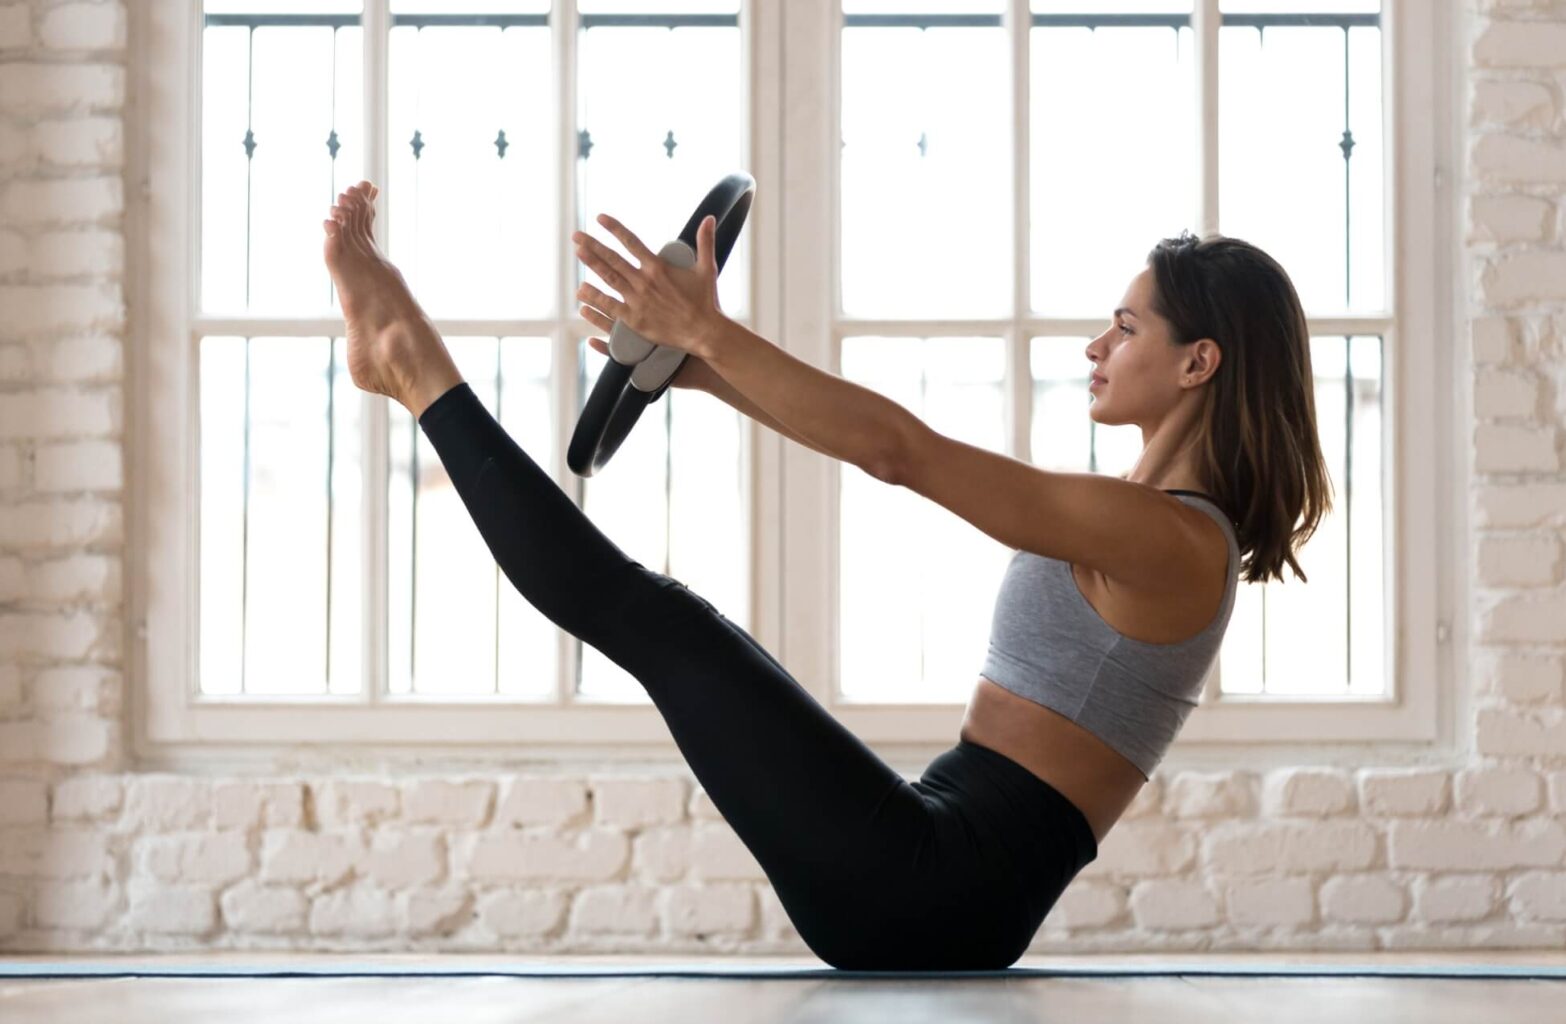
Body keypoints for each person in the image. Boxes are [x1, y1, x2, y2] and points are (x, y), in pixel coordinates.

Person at [322, 180, 1332, 970]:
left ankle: (412, 364)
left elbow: (901, 451)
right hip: (932, 871)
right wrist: (708, 368)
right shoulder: (1147, 522)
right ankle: (410, 362)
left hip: (931, 890)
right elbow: (885, 444)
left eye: (1127, 326)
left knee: (658, 623)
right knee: (664, 624)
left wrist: (710, 332)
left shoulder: (1171, 540)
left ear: (1198, 363)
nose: (1095, 344)